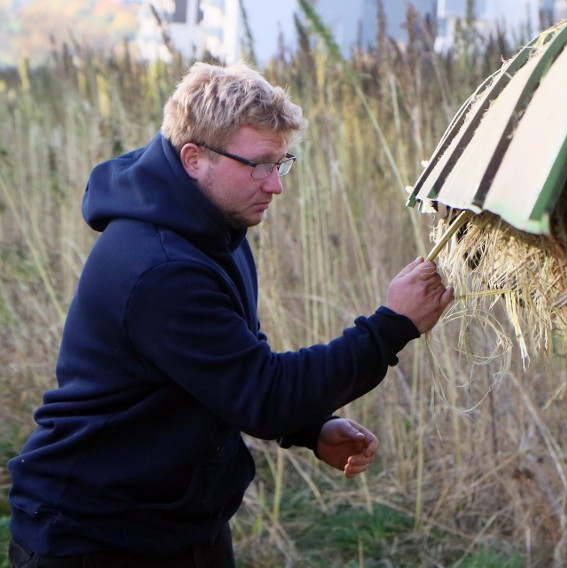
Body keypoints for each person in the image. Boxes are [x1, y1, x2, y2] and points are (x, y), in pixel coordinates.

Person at [6, 61, 453, 567]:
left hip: (179, 526)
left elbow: (234, 374)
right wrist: (391, 327)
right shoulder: (160, 267)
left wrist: (310, 427)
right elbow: (264, 396)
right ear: (194, 158)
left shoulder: (215, 229)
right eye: (259, 164)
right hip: (92, 535)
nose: (275, 185)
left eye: (281, 163)